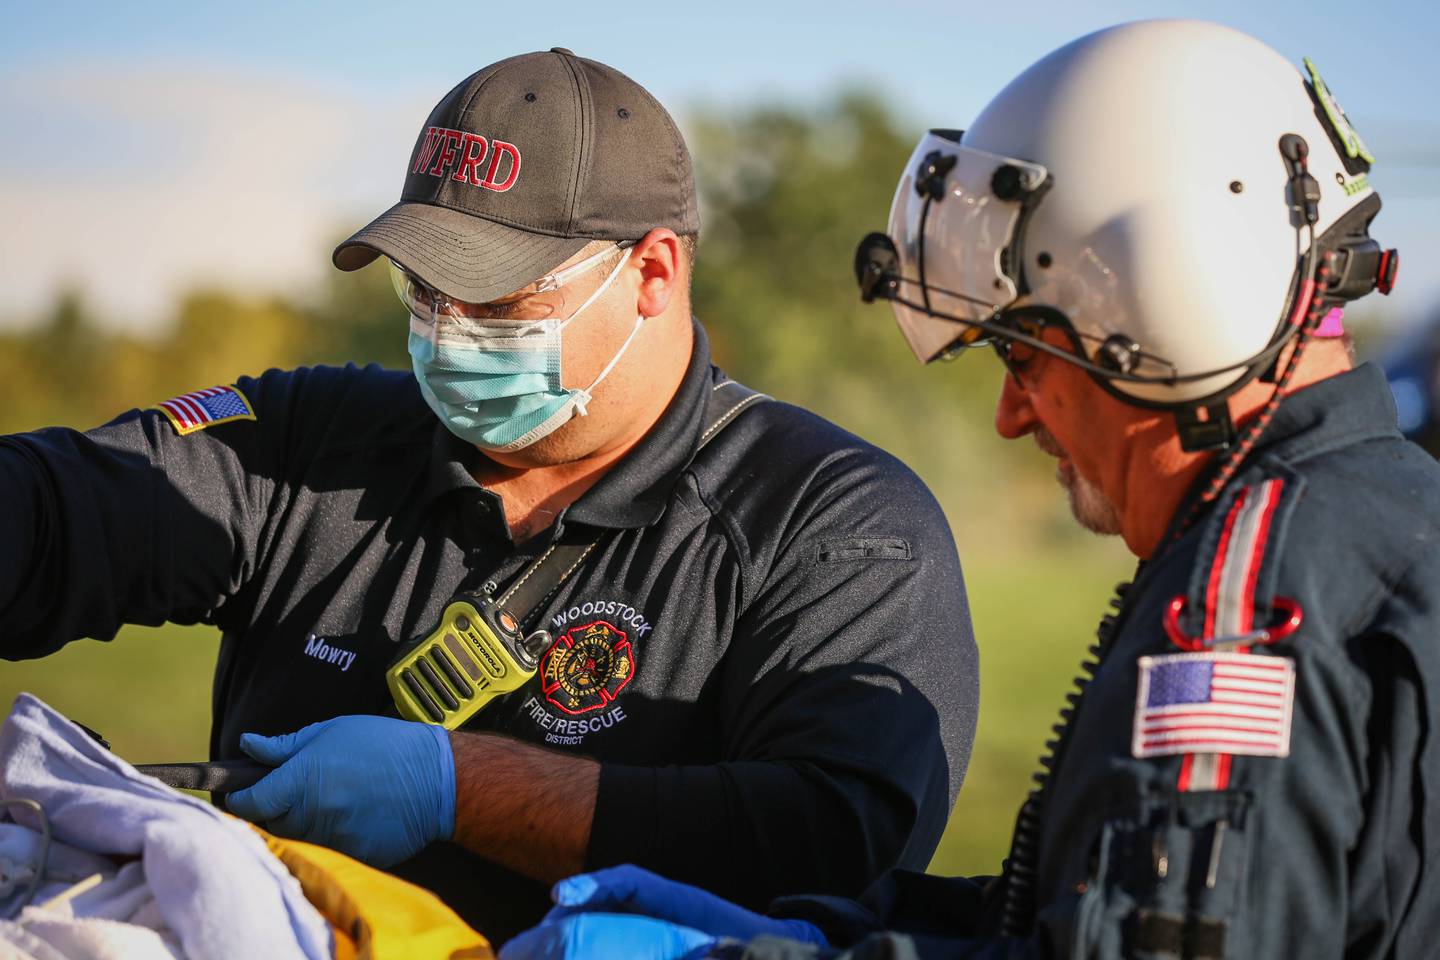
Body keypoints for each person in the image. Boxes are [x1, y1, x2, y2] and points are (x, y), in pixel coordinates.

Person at [500, 20, 1440, 959]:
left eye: (1022, 354)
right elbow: (1084, 910)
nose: (1010, 416)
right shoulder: (1393, 513)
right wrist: (808, 931)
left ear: (1171, 301)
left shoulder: (1253, 599)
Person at [0, 49, 979, 943]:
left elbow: (842, 840)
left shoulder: (832, 518)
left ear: (651, 271)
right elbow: (47, 517)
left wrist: (460, 788)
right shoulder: (315, 442)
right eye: (421, 289)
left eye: (495, 299)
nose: (444, 332)